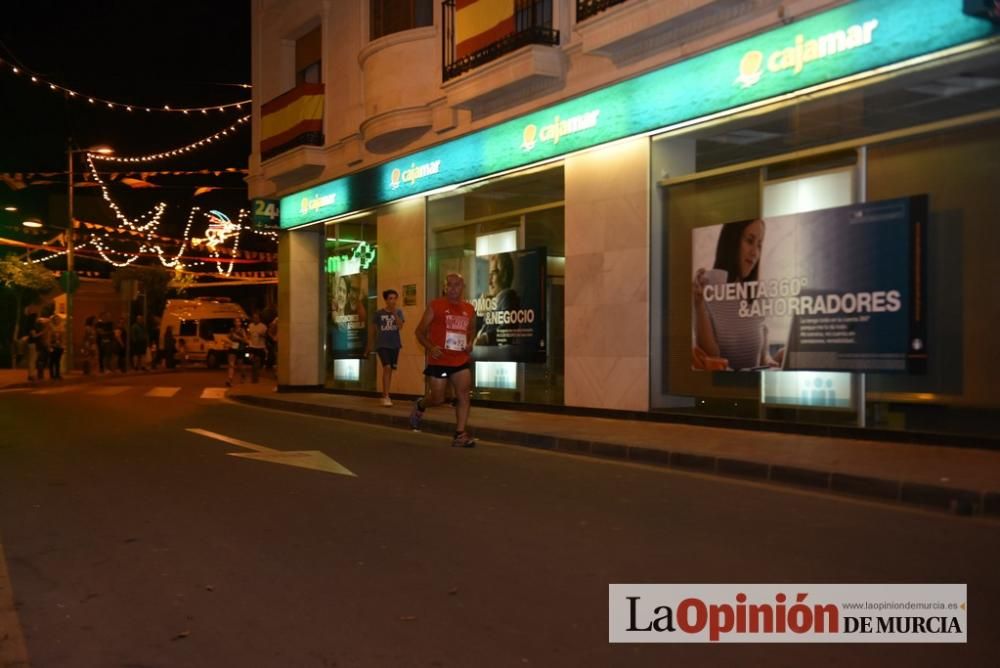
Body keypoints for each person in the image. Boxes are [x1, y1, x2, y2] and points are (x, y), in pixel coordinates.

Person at [692, 218, 782, 370]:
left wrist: (772, 360)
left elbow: (762, 356)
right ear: (732, 241)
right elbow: (711, 356)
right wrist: (699, 304)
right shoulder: (706, 289)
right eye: (749, 241)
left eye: (759, 245)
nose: (755, 253)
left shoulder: (759, 295)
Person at [409, 273, 477, 448]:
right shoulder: (436, 306)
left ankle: (460, 434)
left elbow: (471, 332)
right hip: (439, 360)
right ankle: (421, 404)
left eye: (457, 285)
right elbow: (419, 332)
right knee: (438, 398)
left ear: (463, 287)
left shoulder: (469, 309)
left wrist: (470, 344)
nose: (453, 288)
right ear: (445, 287)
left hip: (460, 359)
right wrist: (431, 347)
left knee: (463, 394)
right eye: (450, 285)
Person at [474, 252, 520, 346]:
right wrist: (481, 310)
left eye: (493, 274)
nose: (489, 281)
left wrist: (485, 338)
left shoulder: (507, 295)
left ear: (504, 275)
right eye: (489, 275)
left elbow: (507, 329)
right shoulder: (495, 300)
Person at [374, 289, 405, 406]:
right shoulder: (379, 313)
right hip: (382, 344)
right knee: (386, 367)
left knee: (390, 369)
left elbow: (400, 326)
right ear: (386, 300)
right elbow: (374, 329)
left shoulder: (399, 312)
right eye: (390, 298)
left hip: (395, 344)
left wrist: (394, 313)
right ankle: (386, 396)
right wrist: (372, 344)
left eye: (394, 298)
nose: (393, 301)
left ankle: (386, 393)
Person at [226, 317, 248, 387]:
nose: (237, 323)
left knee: (240, 365)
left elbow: (245, 340)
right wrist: (228, 340)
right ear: (234, 323)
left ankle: (243, 375)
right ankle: (230, 380)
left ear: (240, 323)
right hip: (232, 348)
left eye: (238, 322)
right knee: (231, 365)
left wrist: (238, 338)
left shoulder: (242, 330)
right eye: (236, 321)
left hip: (240, 349)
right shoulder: (232, 330)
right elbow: (228, 337)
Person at [246, 312, 268, 383]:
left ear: (259, 319)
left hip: (260, 347)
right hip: (252, 346)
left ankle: (256, 378)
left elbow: (266, 336)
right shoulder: (250, 325)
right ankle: (254, 376)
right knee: (252, 362)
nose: (255, 319)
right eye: (254, 318)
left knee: (257, 362)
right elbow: (248, 335)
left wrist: (262, 335)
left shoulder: (263, 327)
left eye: (257, 318)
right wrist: (248, 341)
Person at [48, 314, 65, 379]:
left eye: (57, 319)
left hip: (59, 347)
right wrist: (49, 345)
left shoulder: (61, 328)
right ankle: (52, 375)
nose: (56, 321)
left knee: (57, 361)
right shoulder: (51, 327)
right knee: (52, 361)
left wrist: (62, 345)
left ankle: (57, 374)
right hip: (53, 346)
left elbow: (63, 338)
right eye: (55, 319)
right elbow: (49, 337)